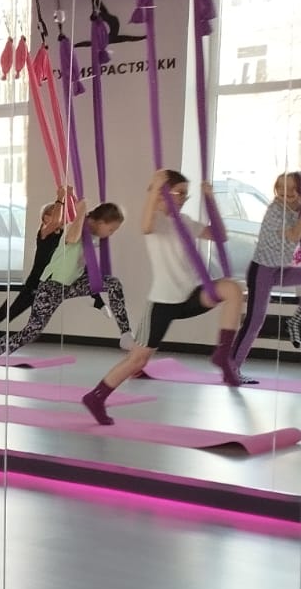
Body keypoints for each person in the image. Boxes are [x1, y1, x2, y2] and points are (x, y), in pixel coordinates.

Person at [80, 169, 247, 424]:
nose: (183, 199)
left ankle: (223, 354)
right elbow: (145, 226)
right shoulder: (157, 220)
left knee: (232, 289)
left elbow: (220, 235)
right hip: (163, 302)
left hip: (191, 295)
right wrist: (156, 187)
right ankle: (96, 397)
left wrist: (211, 201)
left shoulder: (186, 222)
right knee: (138, 360)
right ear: (162, 194)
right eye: (179, 193)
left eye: (186, 195)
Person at [0, 199, 130, 386]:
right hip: (51, 286)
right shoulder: (74, 227)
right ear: (100, 222)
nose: (111, 234)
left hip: (71, 284)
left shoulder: (92, 236)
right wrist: (81, 213)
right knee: (31, 332)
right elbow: (71, 239)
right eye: (111, 229)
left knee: (113, 284)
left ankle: (125, 334)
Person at [0, 191, 68, 351]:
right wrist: (60, 198)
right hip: (34, 285)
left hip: (47, 286)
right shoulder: (43, 232)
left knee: (33, 325)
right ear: (45, 218)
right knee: (2, 317)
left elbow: (67, 221)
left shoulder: (60, 234)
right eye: (53, 215)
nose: (59, 218)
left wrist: (70, 197)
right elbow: (56, 221)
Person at [230, 171, 301, 371]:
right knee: (254, 322)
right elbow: (294, 236)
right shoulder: (275, 210)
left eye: (292, 188)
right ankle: (232, 367)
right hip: (261, 271)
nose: (286, 192)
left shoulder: (296, 209)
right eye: (281, 188)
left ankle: (295, 321)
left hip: (279, 269)